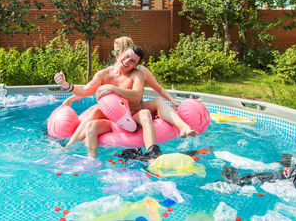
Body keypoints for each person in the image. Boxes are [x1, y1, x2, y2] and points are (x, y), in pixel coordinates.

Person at [63, 36, 196, 138]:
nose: (113, 54)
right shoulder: (108, 72)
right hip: (117, 110)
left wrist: (172, 101)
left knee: (157, 103)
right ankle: (71, 144)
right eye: (113, 51)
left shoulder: (140, 71)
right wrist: (73, 96)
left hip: (135, 109)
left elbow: (158, 88)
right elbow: (89, 89)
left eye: (115, 51)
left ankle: (182, 127)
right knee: (95, 112)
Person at [54, 45, 161, 159]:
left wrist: (114, 89)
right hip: (113, 121)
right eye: (126, 56)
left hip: (132, 117)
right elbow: (84, 92)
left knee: (145, 113)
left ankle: (151, 156)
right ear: (122, 53)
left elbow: (137, 95)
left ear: (136, 65)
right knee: (93, 119)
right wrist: (66, 85)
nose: (126, 61)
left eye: (132, 61)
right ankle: (87, 157)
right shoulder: (103, 74)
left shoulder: (137, 74)